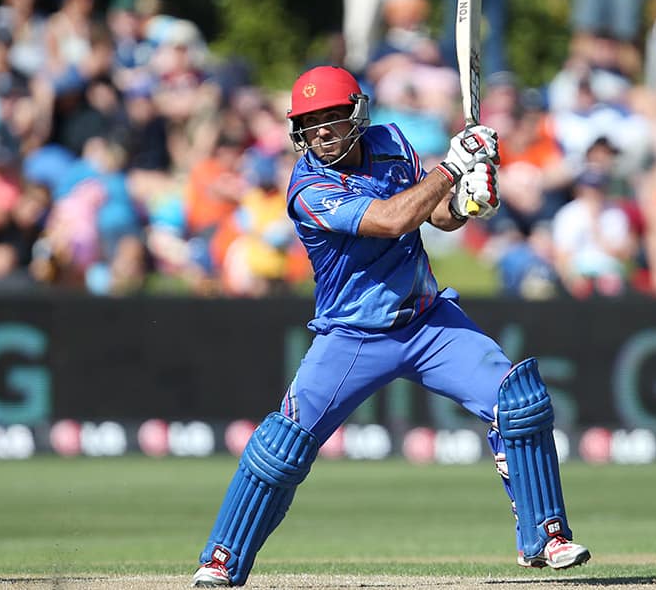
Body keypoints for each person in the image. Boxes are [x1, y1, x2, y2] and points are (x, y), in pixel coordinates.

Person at [190, 66, 590, 587]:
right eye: (311, 123)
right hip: (353, 336)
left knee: (518, 400)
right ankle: (221, 559)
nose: (323, 131)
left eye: (332, 117)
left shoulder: (391, 142)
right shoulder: (308, 188)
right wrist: (452, 167)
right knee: (281, 447)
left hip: (427, 321)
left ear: (357, 112)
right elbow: (390, 219)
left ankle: (547, 535)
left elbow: (434, 214)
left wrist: (467, 200)